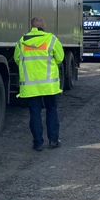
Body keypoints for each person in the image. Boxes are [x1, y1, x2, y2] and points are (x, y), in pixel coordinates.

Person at [14, 16, 64, 151]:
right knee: (51, 111)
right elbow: (60, 58)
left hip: (31, 87)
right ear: (44, 26)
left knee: (35, 114)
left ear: (31, 27)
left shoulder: (21, 42)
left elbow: (17, 60)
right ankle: (53, 141)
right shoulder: (51, 39)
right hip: (49, 86)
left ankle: (38, 143)